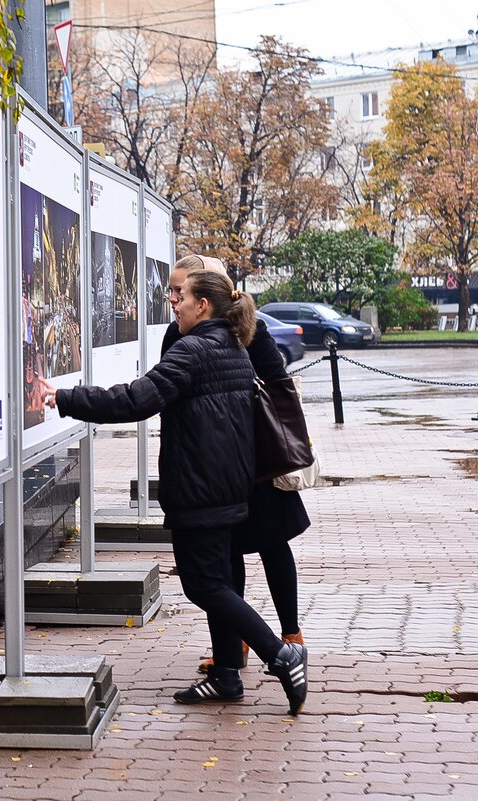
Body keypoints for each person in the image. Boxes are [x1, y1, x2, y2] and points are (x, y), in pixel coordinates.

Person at [45, 269, 308, 714]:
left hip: (200, 490)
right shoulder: (231, 347)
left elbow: (136, 399)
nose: (174, 303)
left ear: (202, 304)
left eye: (180, 296)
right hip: (228, 486)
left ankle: (280, 656)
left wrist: (65, 398)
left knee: (203, 586)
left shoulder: (194, 350)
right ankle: (226, 675)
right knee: (219, 581)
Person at [162, 254, 309, 675]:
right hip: (215, 462)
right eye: (171, 291)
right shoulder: (178, 333)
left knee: (271, 543)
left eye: (180, 290)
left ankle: (290, 635)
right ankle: (236, 645)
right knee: (227, 557)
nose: (174, 299)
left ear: (204, 294)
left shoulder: (249, 327)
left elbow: (276, 383)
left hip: (256, 457)